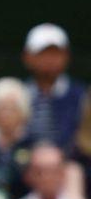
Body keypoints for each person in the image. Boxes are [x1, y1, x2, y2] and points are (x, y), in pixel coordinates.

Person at [21, 23, 82, 152]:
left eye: (55, 53)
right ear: (27, 56)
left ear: (67, 56)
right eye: (42, 53)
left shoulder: (83, 96)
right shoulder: (17, 95)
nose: (49, 59)